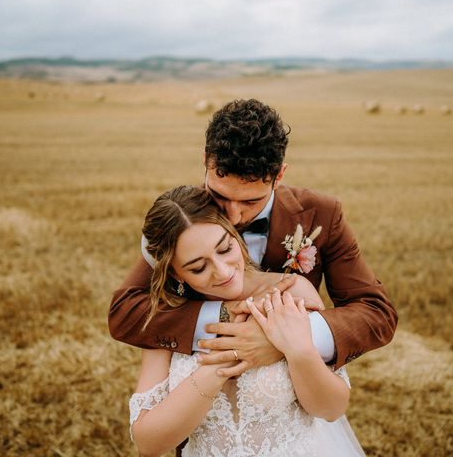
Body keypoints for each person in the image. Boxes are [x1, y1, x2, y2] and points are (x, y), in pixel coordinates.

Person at [109, 98, 397, 377]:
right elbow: (125, 313)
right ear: (205, 161)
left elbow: (376, 313)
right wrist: (225, 316)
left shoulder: (322, 214)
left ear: (280, 175)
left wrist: (284, 340)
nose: (233, 216)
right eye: (220, 196)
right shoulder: (182, 218)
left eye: (250, 201)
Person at [129, 185, 366, 456]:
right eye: (198, 267)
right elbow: (148, 443)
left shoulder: (290, 290)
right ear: (176, 274)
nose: (222, 271)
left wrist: (298, 351)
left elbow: (332, 409)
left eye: (225, 248)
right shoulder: (170, 315)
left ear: (234, 234)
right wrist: (224, 362)